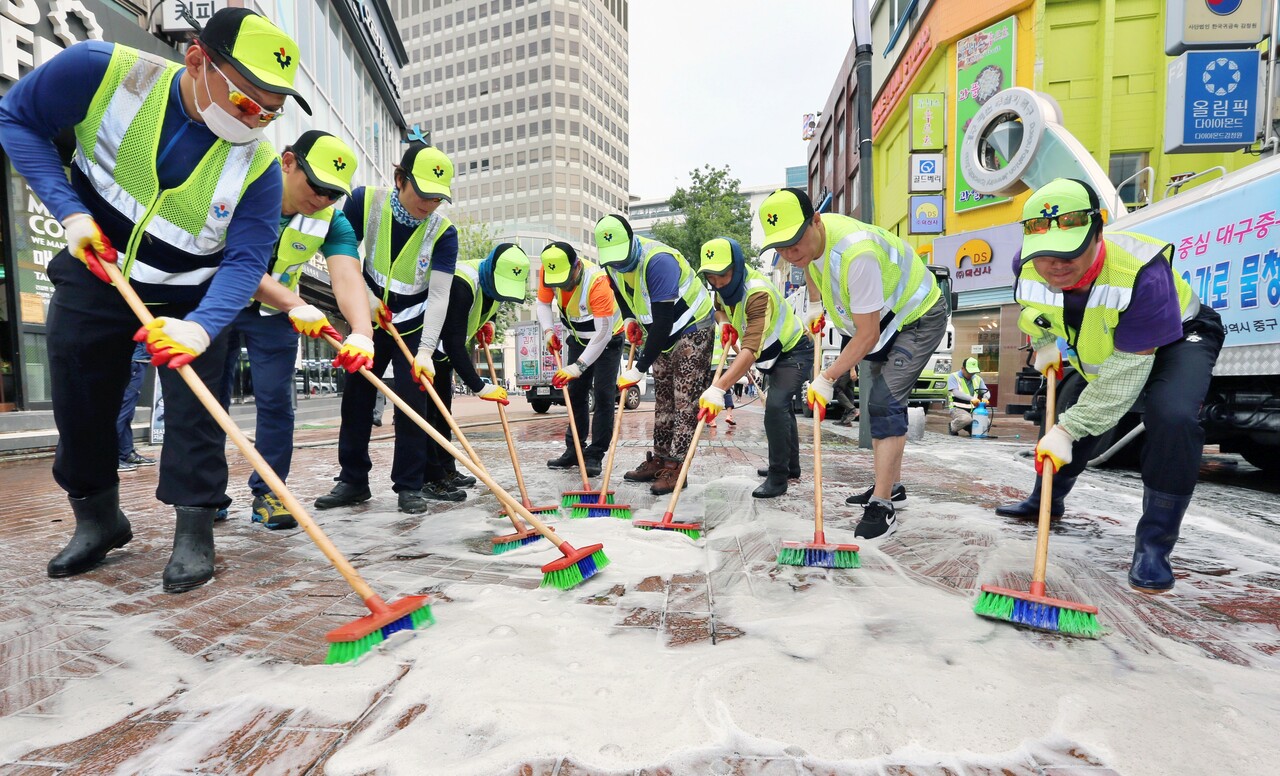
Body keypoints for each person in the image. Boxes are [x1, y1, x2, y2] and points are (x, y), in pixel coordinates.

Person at [0, 8, 309, 593]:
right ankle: (98, 518)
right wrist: (69, 212)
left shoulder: (262, 169)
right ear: (197, 59)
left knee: (196, 414)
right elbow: (16, 119)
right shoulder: (100, 72)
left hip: (192, 294)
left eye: (273, 111)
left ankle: (195, 529)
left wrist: (201, 328)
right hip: (99, 270)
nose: (258, 120)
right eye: (247, 102)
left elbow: (245, 262)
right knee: (81, 399)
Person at [995, 178, 1223, 594]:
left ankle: (1154, 545)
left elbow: (1122, 381)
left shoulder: (1141, 274)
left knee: (1170, 417)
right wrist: (1043, 343)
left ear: (1098, 233)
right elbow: (1034, 309)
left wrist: (1066, 430)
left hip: (1180, 337)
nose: (1057, 265)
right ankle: (1046, 500)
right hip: (1110, 342)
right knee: (1077, 410)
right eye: (1046, 256)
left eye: (1071, 251)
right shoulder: (1025, 266)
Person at [761, 188, 947, 540]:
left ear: (815, 220)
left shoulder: (856, 254)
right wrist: (816, 306)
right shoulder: (812, 244)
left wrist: (827, 378)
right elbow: (811, 266)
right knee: (876, 404)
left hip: (918, 316)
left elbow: (867, 335)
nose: (790, 254)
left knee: (885, 403)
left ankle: (882, 504)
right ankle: (888, 485)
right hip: (883, 322)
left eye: (794, 243)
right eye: (780, 247)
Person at [215, 130, 373, 530]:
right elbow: (236, 262)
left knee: (277, 407)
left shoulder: (331, 221)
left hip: (274, 318)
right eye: (315, 185)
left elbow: (347, 276)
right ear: (288, 162)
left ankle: (271, 494)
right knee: (208, 403)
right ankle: (205, 495)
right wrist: (297, 303)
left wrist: (361, 333)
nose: (321, 198)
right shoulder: (242, 187)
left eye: (332, 193)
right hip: (219, 304)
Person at [313, 142, 458, 514]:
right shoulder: (364, 201)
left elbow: (440, 294)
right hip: (368, 316)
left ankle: (409, 485)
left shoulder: (444, 232)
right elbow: (341, 255)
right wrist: (365, 297)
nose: (428, 205)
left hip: (413, 323)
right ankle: (353, 480)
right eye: (422, 194)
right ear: (400, 179)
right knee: (357, 397)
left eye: (437, 198)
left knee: (413, 402)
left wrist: (426, 350)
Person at [594, 214, 715, 495]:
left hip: (691, 326)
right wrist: (629, 320)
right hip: (659, 331)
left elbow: (663, 323)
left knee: (684, 400)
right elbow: (623, 296)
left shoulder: (659, 261)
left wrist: (637, 369)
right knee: (663, 400)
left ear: (631, 241)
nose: (618, 264)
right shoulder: (612, 264)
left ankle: (676, 468)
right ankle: (659, 458)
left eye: (621, 257)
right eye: (611, 259)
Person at [695, 237, 811, 498]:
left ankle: (778, 477)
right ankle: (791, 467)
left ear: (736, 265)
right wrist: (724, 323)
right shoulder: (722, 289)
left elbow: (750, 349)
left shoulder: (757, 292)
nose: (717, 283)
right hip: (774, 356)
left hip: (794, 350)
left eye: (722, 275)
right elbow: (719, 309)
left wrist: (718, 388)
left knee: (776, 406)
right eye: (711, 277)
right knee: (782, 408)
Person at [421, 245, 527, 499]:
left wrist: (486, 322)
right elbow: (454, 343)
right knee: (428, 417)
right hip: (423, 351)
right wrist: (479, 387)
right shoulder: (462, 283)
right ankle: (429, 478)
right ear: (490, 269)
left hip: (442, 353)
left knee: (444, 415)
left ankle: (447, 470)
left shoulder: (497, 281)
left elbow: (483, 306)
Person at [537, 242, 623, 477]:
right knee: (575, 393)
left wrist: (579, 366)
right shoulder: (549, 270)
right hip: (578, 337)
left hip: (608, 340)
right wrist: (548, 331)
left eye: (566, 280)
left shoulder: (596, 282)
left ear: (576, 266)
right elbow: (543, 303)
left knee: (604, 395)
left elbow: (603, 333)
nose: (562, 286)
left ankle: (595, 454)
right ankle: (574, 450)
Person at [117, 342, 156, 471]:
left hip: (139, 359)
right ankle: (108, 457)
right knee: (121, 411)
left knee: (127, 412)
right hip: (133, 359)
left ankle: (126, 452)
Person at [705, 320, 737, 428]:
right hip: (722, 365)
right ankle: (729, 415)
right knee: (726, 391)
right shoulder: (723, 329)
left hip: (710, 366)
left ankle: (712, 420)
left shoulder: (707, 328)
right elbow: (734, 345)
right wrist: (741, 354)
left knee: (711, 392)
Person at [947, 357, 989, 436]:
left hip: (973, 409)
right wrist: (972, 398)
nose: (971, 374)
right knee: (966, 419)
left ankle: (970, 428)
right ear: (962, 368)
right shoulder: (953, 376)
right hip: (957, 408)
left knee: (986, 422)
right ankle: (952, 427)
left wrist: (985, 398)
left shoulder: (978, 379)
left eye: (973, 372)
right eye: (969, 372)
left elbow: (986, 391)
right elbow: (955, 392)